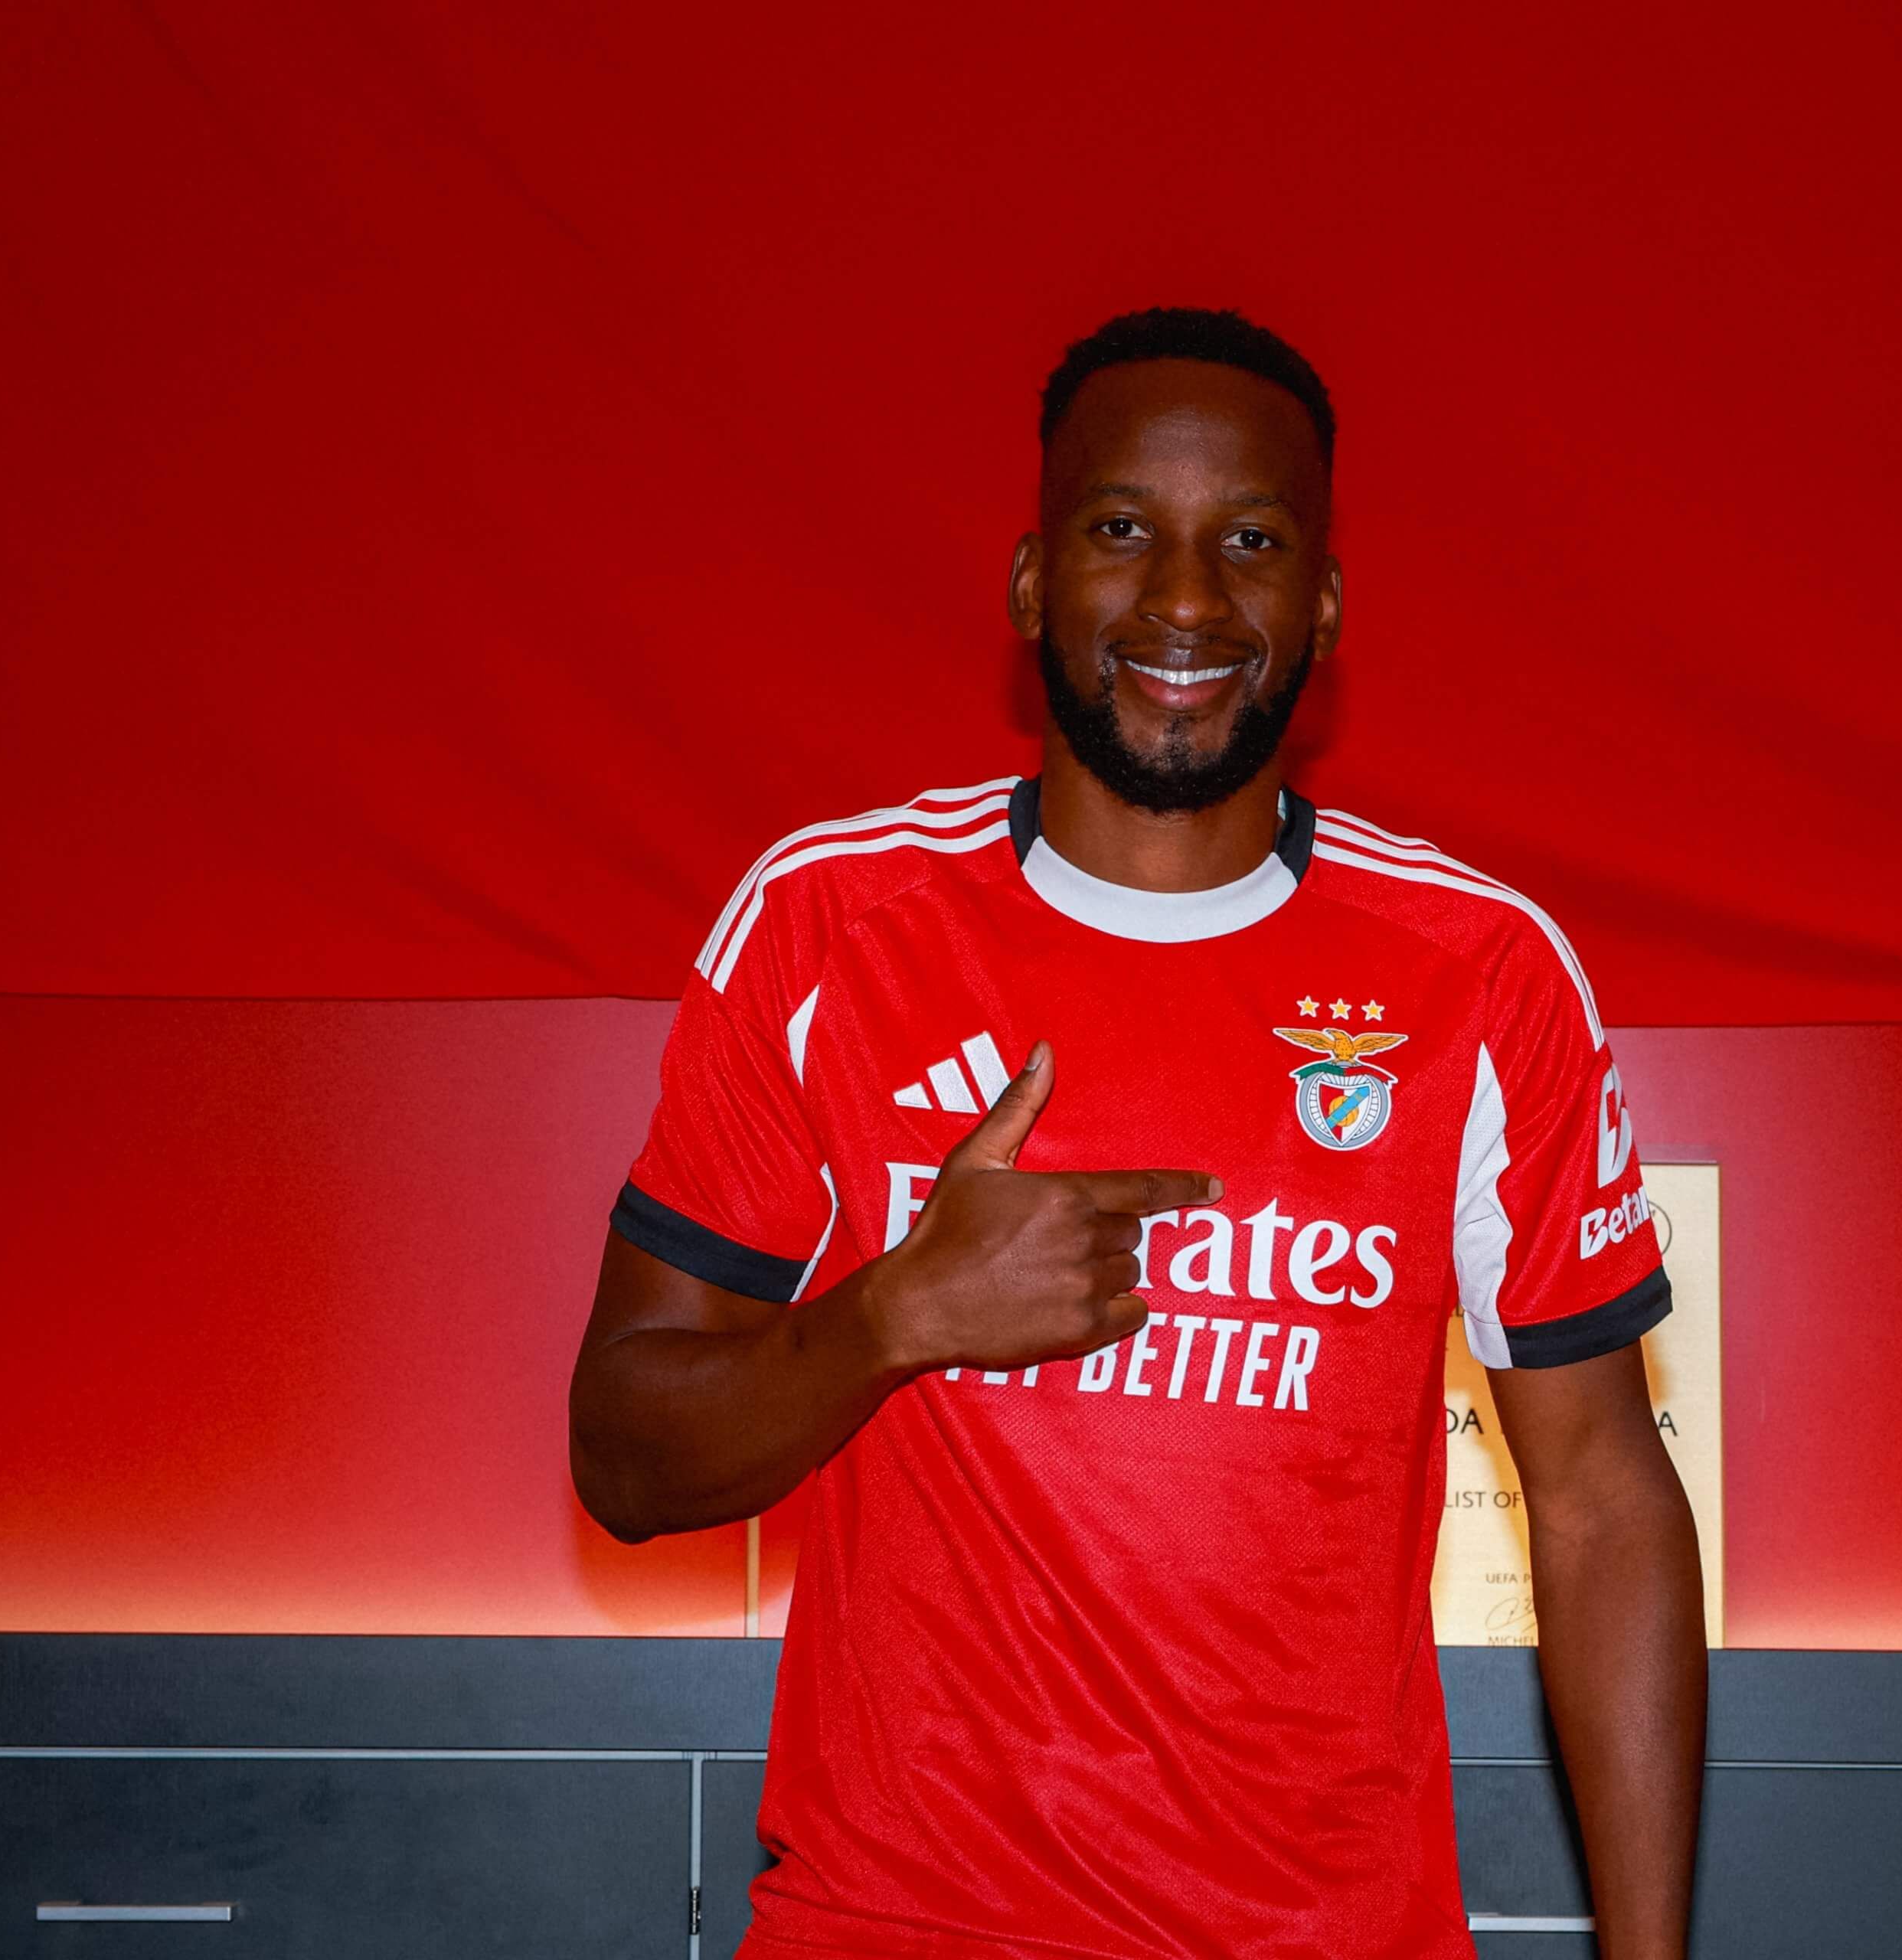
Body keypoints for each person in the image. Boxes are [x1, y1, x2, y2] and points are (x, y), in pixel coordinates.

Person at [570, 307, 1703, 1959]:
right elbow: (621, 1451)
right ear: (1032, 580)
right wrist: (895, 1314)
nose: (1184, 598)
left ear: (1320, 603)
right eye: (1122, 531)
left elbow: (1603, 1498)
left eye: (1248, 540)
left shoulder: (1482, 973)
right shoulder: (830, 925)